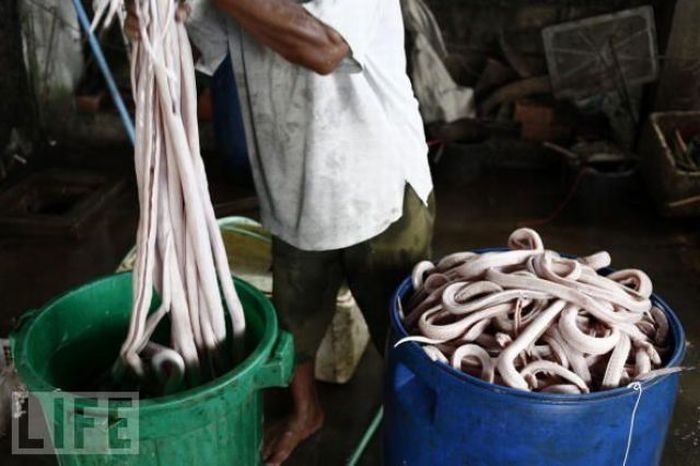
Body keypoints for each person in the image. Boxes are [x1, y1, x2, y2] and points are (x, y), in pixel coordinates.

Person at [125, 1, 434, 464]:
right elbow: (193, 45)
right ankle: (306, 412)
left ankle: (419, 432)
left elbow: (324, 48)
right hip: (292, 179)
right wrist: (149, 24)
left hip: (377, 181)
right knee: (294, 319)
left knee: (404, 331)